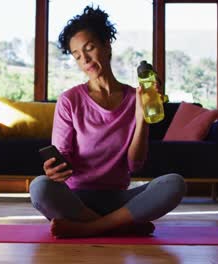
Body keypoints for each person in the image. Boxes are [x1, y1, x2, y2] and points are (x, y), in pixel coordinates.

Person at [29, 6, 186, 238]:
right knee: (40, 187)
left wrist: (142, 117)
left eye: (89, 48)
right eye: (77, 55)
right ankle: (120, 226)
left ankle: (90, 228)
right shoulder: (69, 100)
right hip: (76, 200)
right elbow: (63, 158)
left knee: (175, 183)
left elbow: (136, 165)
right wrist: (55, 170)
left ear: (106, 45)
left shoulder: (136, 98)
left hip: (120, 200)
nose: (85, 60)